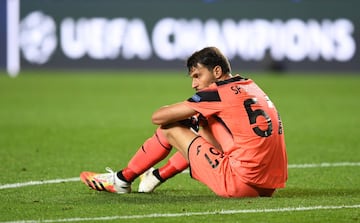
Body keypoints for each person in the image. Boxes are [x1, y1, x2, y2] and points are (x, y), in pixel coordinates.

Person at [80, 46, 288, 198]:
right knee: (202, 124)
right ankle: (157, 176)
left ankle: (122, 180)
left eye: (198, 76)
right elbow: (224, 144)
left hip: (239, 183)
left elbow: (158, 117)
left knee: (171, 127)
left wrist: (188, 118)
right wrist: (198, 121)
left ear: (217, 71)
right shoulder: (252, 86)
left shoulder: (216, 93)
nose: (194, 84)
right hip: (267, 187)